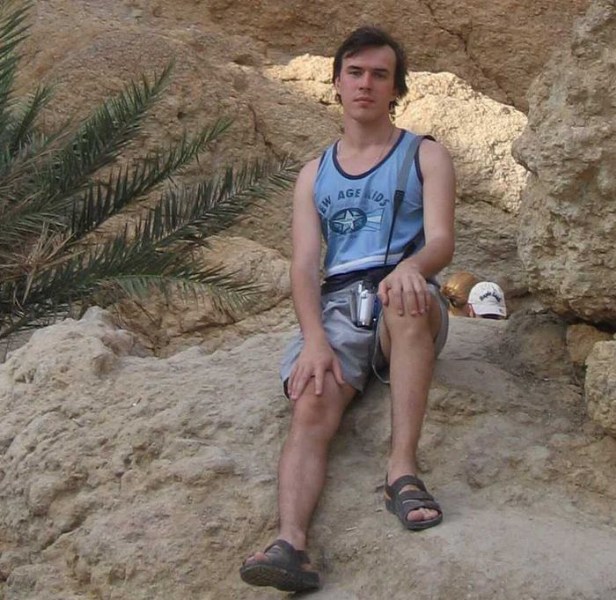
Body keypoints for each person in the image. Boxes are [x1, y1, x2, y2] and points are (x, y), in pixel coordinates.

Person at [239, 25, 456, 593]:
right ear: (336, 83)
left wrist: (412, 269)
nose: (366, 84)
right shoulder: (314, 174)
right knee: (312, 399)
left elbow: (441, 241)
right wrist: (314, 340)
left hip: (405, 296)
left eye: (380, 75)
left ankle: (401, 472)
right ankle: (291, 545)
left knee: (405, 304)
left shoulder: (425, 155)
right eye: (355, 73)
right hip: (341, 306)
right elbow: (304, 266)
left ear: (396, 89)